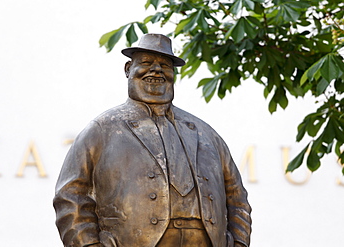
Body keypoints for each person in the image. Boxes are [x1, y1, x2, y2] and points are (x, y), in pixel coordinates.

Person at [53, 33, 251, 247]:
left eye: (165, 65)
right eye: (146, 63)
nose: (156, 70)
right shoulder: (103, 129)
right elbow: (71, 196)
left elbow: (237, 199)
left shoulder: (206, 134)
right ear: (128, 69)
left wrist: (239, 243)